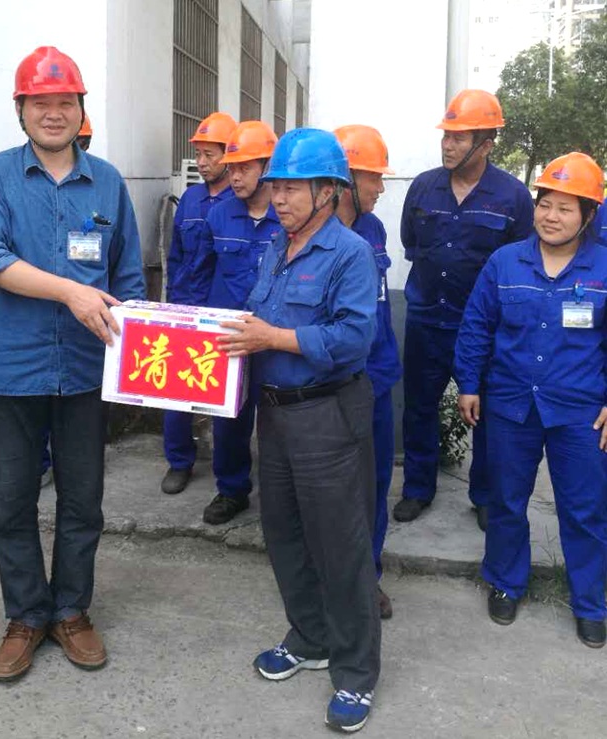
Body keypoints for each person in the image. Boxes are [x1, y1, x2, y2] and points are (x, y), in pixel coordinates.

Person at [0, 46, 145, 681]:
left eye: (65, 101)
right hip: (10, 370)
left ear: (80, 109)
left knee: (84, 501)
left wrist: (150, 353)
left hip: (85, 372)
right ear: (20, 109)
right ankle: (26, 616)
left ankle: (70, 610)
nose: (53, 112)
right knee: (12, 502)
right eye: (40, 102)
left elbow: (128, 280)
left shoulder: (109, 183)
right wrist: (70, 291)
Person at [217, 128, 380, 733]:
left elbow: (353, 338)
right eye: (275, 187)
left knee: (340, 548)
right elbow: (257, 319)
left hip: (327, 415)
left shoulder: (350, 254)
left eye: (290, 188)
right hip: (276, 414)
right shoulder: (276, 247)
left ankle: (356, 672)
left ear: (327, 192)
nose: (277, 198)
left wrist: (272, 337)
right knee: (284, 535)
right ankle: (309, 637)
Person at [455, 152, 607, 649]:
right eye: (545, 204)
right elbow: (477, 325)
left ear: (588, 214)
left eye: (565, 208)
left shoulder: (603, 268)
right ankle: (505, 582)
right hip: (510, 404)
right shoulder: (505, 263)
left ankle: (590, 603)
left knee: (584, 509)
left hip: (580, 410)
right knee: (505, 500)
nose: (551, 216)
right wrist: (470, 384)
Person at [395, 89, 534, 529]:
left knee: (486, 411)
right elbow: (411, 243)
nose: (448, 145)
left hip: (483, 329)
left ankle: (485, 496)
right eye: (446, 136)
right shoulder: (423, 187)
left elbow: (520, 264)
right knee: (419, 406)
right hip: (426, 319)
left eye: (459, 138)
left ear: (486, 144)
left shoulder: (513, 197)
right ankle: (418, 488)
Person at [188, 121, 280, 524]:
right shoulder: (219, 215)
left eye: (245, 167)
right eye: (232, 167)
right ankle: (231, 490)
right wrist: (194, 325)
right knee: (228, 419)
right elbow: (199, 273)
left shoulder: (288, 216)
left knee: (278, 422)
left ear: (267, 167)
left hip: (274, 340)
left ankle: (279, 495)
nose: (235, 176)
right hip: (227, 339)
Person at [334, 124, 402, 619]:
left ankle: (367, 576)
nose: (380, 187)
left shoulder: (373, 228)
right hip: (331, 388)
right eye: (373, 177)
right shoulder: (303, 235)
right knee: (328, 490)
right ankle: (326, 578)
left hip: (376, 379)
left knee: (374, 487)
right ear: (343, 180)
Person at [161, 111, 237, 496]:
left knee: (224, 398)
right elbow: (176, 254)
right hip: (185, 306)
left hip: (221, 312)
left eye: (210, 155)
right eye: (199, 154)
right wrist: (173, 299)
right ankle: (179, 461)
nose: (202, 163)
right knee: (176, 392)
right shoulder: (190, 199)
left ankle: (229, 473)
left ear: (230, 156)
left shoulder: (239, 201)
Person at [41, 113, 94, 490]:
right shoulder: (3, 180)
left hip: (84, 350)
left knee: (81, 486)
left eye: (85, 142)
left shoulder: (103, 184)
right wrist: (67, 292)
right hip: (31, 343)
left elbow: (124, 270)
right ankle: (40, 464)